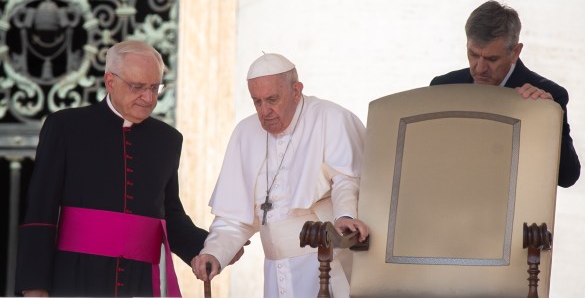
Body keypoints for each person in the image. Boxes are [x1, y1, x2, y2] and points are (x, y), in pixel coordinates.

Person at [15, 40, 219, 297]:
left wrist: (214, 247)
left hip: (139, 281)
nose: (149, 98)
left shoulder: (168, 139)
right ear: (110, 81)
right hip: (75, 276)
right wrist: (35, 286)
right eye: (138, 87)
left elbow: (170, 216)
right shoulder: (66, 127)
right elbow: (41, 211)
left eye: (155, 88)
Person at [191, 53, 369, 297]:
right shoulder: (245, 133)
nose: (265, 111)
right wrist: (214, 252)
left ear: (296, 91)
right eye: (257, 102)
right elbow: (234, 217)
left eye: (272, 99)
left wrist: (345, 215)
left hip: (326, 265)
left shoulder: (331, 118)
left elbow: (347, 180)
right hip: (276, 271)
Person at [430, 0, 580, 188]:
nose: (480, 68)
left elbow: (567, 177)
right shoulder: (443, 88)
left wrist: (547, 119)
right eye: (473, 54)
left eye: (492, 59)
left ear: (515, 52)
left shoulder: (549, 97)